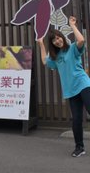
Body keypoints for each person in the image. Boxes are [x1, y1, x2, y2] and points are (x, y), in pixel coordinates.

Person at [37, 16, 90, 157]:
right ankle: (80, 147)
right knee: (76, 120)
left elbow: (81, 40)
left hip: (83, 84)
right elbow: (44, 61)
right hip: (71, 91)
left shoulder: (72, 48)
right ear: (53, 43)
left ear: (62, 37)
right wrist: (41, 44)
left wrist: (72, 25)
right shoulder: (56, 58)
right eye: (54, 40)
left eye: (58, 37)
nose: (57, 41)